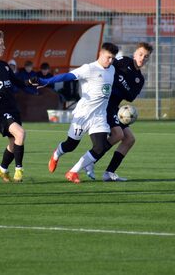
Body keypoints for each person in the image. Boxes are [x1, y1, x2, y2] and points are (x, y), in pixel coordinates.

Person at [39, 42, 119, 184]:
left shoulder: (112, 69)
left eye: (113, 58)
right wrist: (45, 80)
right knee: (71, 145)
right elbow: (66, 76)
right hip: (83, 115)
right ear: (100, 54)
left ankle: (73, 171)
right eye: (108, 57)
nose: (110, 61)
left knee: (100, 147)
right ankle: (56, 154)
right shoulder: (89, 69)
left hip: (99, 116)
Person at [84, 42, 153, 182]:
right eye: (140, 54)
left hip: (115, 107)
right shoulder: (122, 61)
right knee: (118, 134)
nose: (142, 58)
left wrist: (121, 83)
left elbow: (130, 97)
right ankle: (90, 160)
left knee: (129, 139)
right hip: (104, 103)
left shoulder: (139, 79)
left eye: (146, 57)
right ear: (135, 54)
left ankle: (109, 172)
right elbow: (106, 68)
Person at [0, 30, 39, 183]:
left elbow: (18, 82)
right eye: (1, 44)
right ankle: (19, 170)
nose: (4, 47)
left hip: (12, 108)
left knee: (13, 142)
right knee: (20, 134)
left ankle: (2, 169)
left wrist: (29, 83)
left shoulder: (5, 66)